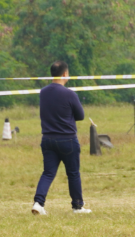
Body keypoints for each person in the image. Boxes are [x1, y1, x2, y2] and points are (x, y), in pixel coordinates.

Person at [31, 61, 91, 215]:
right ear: (65, 74)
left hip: (48, 139)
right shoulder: (70, 94)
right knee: (73, 173)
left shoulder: (43, 92)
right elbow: (81, 116)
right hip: (67, 139)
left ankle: (38, 203)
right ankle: (77, 206)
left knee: (48, 173)